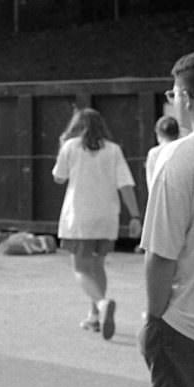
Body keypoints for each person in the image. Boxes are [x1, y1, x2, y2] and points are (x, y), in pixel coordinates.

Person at [86, 52, 194, 387]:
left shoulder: (180, 159)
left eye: (172, 93)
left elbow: (159, 257)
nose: (170, 100)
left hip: (187, 323)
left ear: (188, 97)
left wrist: (153, 318)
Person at [52, 107, 142, 340]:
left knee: (80, 268)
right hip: (107, 217)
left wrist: (61, 146)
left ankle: (102, 304)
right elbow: (125, 185)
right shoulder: (113, 150)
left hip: (80, 217)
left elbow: (59, 177)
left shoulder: (71, 147)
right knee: (98, 266)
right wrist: (135, 216)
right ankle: (94, 315)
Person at [144, 114, 180, 191]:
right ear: (178, 134)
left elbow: (151, 182)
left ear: (158, 134)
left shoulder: (154, 153)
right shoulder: (183, 148)